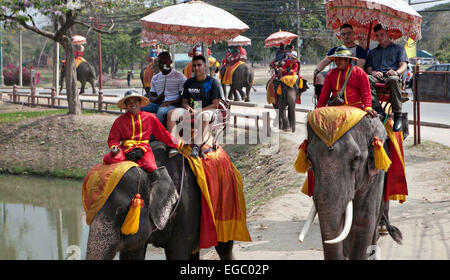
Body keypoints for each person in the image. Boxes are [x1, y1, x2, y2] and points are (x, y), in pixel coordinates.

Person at [103, 90, 184, 179]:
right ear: (126, 106)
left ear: (140, 102)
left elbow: (163, 134)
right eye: (129, 102)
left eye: (135, 101)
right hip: (125, 149)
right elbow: (113, 139)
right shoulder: (119, 121)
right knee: (109, 159)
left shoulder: (150, 117)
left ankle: (153, 190)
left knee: (151, 168)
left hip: (144, 149)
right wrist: (115, 148)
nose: (132, 104)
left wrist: (178, 143)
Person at [167, 55, 223, 158]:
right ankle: (173, 145)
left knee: (204, 116)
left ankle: (196, 147)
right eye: (194, 66)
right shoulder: (189, 82)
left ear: (205, 66)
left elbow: (215, 105)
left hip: (207, 110)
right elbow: (184, 101)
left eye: (199, 65)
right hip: (191, 110)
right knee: (171, 114)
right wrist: (187, 108)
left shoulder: (213, 82)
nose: (196, 68)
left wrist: (198, 111)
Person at [366, 24, 409, 132]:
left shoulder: (399, 48)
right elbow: (369, 69)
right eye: (377, 35)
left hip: (392, 76)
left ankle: (398, 115)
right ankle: (378, 109)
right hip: (378, 77)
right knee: (366, 78)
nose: (379, 37)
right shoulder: (372, 52)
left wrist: (396, 72)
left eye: (382, 34)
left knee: (393, 79)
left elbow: (404, 65)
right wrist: (374, 72)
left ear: (387, 34)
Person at [316, 46, 378, 118]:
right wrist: (318, 109)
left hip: (355, 109)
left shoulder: (359, 72)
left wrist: (368, 107)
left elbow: (365, 92)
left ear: (347, 60)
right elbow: (324, 94)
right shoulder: (331, 73)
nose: (337, 62)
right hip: (336, 109)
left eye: (340, 59)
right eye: (336, 59)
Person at [313, 24, 368, 101]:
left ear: (353, 34)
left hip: (350, 75)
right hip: (334, 74)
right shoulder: (336, 49)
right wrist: (316, 71)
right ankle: (321, 103)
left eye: (348, 33)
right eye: (343, 34)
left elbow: (359, 67)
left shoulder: (360, 50)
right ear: (341, 36)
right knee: (319, 76)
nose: (346, 36)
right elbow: (324, 62)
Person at [141, 52, 186, 126]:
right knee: (138, 107)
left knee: (161, 111)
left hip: (174, 106)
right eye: (160, 62)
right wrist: (158, 98)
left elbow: (183, 98)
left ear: (170, 62)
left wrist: (169, 103)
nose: (162, 65)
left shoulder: (180, 77)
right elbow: (151, 97)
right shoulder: (155, 78)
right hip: (159, 104)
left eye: (165, 62)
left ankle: (155, 136)